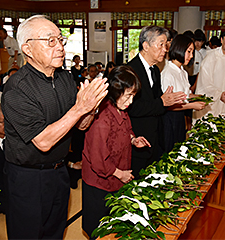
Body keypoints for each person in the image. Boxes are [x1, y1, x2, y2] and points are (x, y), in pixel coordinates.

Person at [2, 15, 108, 239]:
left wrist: (91, 109)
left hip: (60, 170)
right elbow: (43, 141)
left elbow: (79, 126)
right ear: (27, 49)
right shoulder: (17, 88)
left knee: (56, 231)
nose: (60, 47)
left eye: (60, 40)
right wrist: (80, 108)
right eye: (50, 41)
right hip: (27, 177)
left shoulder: (63, 78)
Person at [82, 65, 150, 239]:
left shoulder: (120, 108)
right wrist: (120, 174)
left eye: (133, 96)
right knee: (100, 230)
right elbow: (98, 160)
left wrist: (133, 139)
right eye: (128, 96)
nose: (131, 101)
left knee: (115, 226)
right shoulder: (102, 118)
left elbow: (125, 130)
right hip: (100, 184)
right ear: (115, 91)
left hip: (118, 177)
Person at [127, 25, 186, 177]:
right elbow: (132, 108)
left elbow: (158, 103)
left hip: (154, 139)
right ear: (146, 46)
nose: (165, 50)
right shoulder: (130, 71)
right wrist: (162, 102)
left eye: (166, 45)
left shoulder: (155, 70)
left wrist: (168, 100)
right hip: (138, 140)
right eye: (161, 45)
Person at [161, 34, 206, 152]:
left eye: (192, 52)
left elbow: (185, 95)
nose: (191, 56)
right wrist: (192, 105)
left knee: (179, 150)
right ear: (179, 49)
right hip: (170, 119)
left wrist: (199, 97)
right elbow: (168, 106)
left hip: (180, 117)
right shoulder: (168, 73)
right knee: (170, 153)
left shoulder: (182, 71)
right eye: (189, 51)